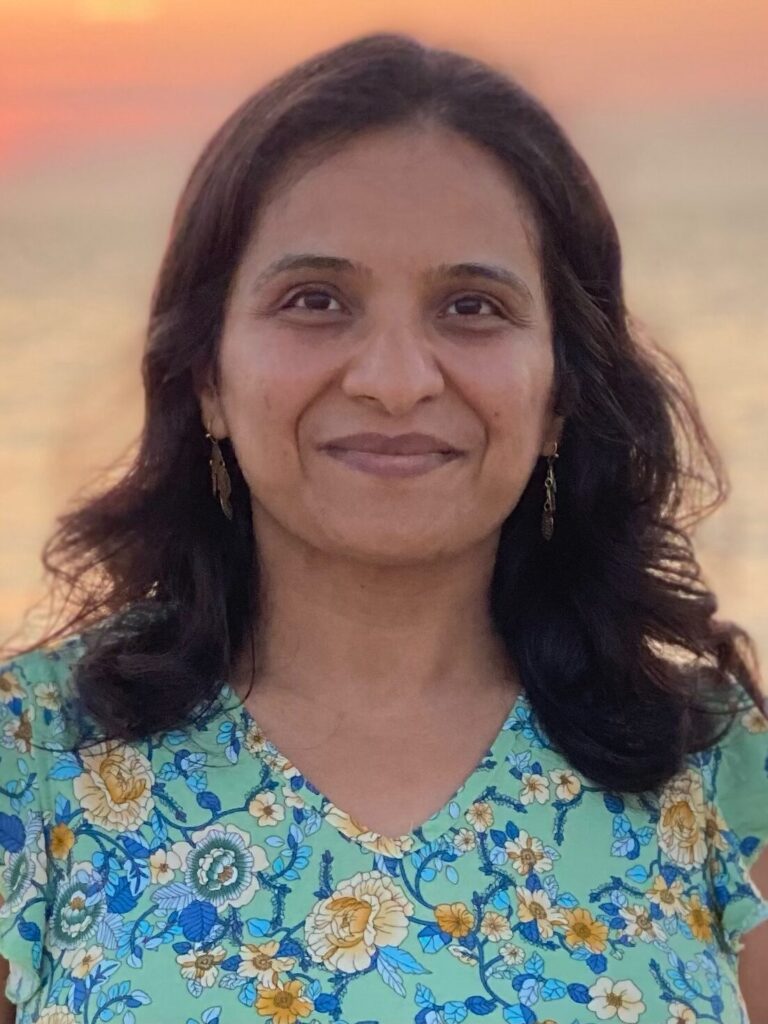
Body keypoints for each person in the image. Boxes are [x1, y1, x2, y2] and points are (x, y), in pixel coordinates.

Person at [1, 31, 766, 1024]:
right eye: (315, 301)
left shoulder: (706, 765)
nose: (396, 380)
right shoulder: (34, 756)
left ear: (561, 395)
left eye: (472, 306)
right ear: (207, 378)